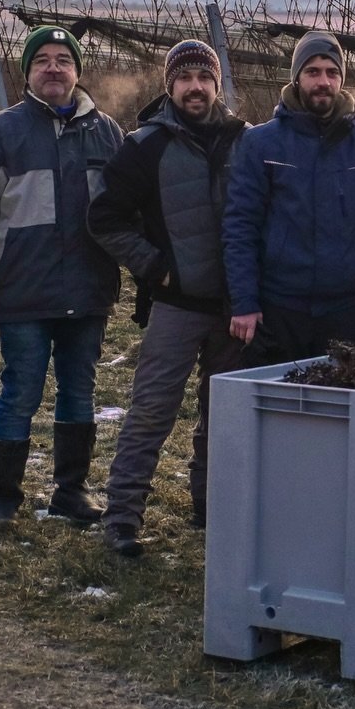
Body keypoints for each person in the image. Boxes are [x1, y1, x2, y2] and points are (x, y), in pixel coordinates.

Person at [0, 24, 123, 530]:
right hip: (24, 289)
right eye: (42, 59)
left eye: (63, 60)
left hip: (88, 291)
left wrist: (151, 276)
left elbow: (129, 211)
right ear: (28, 72)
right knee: (20, 392)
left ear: (76, 71)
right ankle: (2, 501)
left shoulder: (106, 133)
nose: (53, 67)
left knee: (79, 393)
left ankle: (71, 493)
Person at [88, 39, 247, 557]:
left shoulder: (242, 140)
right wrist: (155, 269)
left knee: (225, 414)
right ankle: (123, 518)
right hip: (175, 305)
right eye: (185, 79)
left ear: (217, 84)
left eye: (205, 77)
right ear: (169, 85)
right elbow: (104, 218)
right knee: (151, 412)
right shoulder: (144, 146)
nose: (195, 87)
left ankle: (212, 510)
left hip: (232, 308)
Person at [221, 30, 355, 366]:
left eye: (332, 72)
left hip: (346, 309)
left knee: (339, 411)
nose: (323, 81)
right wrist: (245, 302)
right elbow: (241, 226)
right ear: (297, 78)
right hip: (279, 306)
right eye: (313, 72)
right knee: (277, 408)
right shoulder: (261, 144)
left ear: (342, 79)